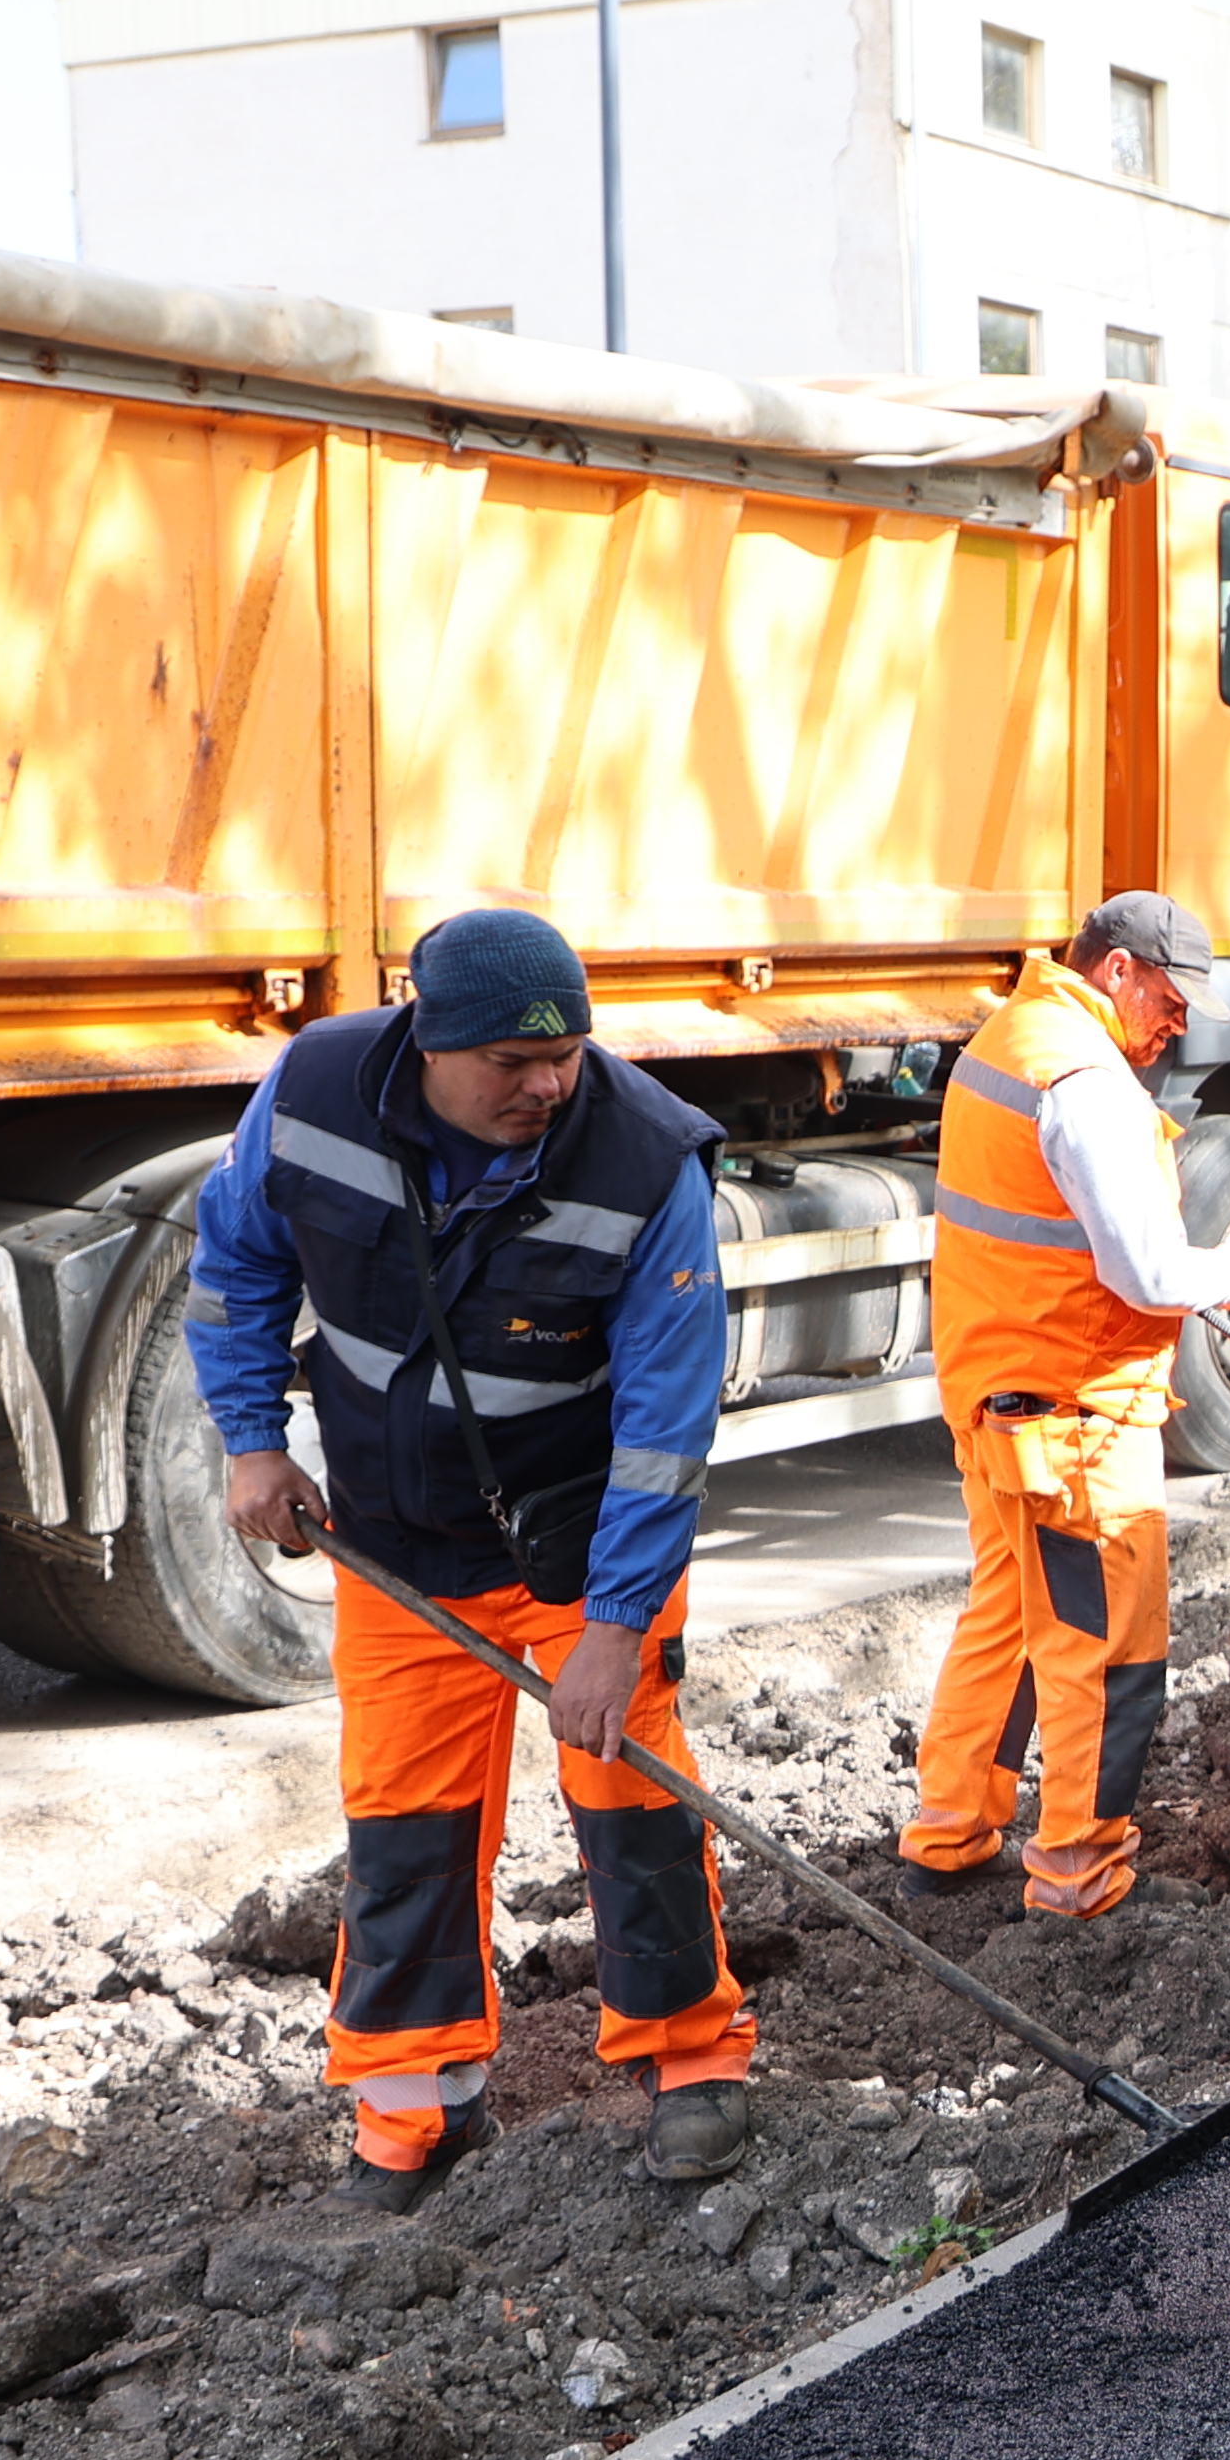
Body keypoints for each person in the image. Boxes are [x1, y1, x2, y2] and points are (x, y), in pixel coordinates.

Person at [194, 905, 757, 2206]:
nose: (546, 1084)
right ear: (430, 1042)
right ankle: (416, 2117)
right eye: (511, 1060)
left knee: (637, 1816)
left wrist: (614, 1630)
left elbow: (669, 1428)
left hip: (582, 1554)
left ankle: (692, 2070)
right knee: (405, 1834)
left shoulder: (645, 1165)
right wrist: (251, 1441)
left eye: (564, 1057)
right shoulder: (314, 1093)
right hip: (400, 1549)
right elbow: (237, 1263)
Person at [900, 892, 1230, 1917]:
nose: (1176, 1023)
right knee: (1106, 1651)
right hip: (1080, 1421)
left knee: (1012, 1620)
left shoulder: (1009, 1037)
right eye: (1169, 998)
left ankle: (949, 1835)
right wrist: (1225, 1270)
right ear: (1116, 972)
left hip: (1000, 1401)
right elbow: (1147, 1271)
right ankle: (1079, 1874)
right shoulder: (1086, 1081)